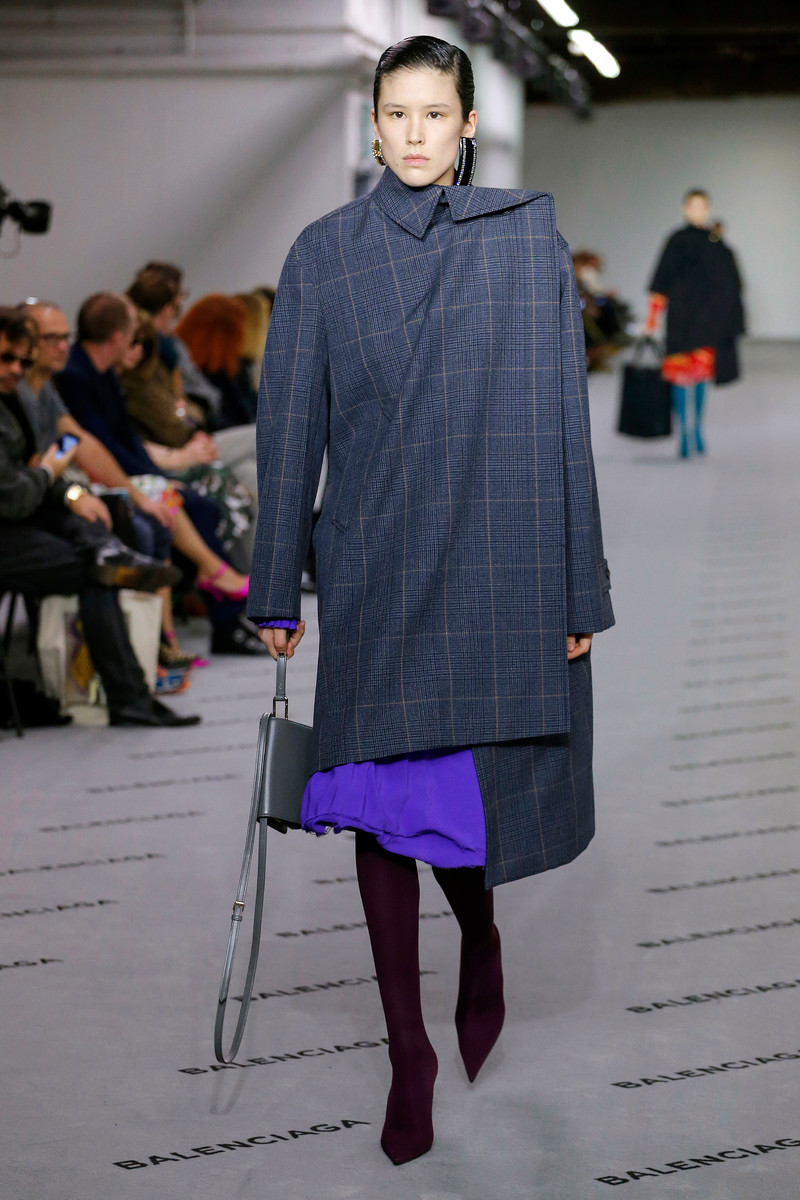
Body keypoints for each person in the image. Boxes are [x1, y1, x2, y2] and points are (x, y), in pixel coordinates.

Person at [248, 36, 613, 1165]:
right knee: (376, 804)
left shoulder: (523, 239)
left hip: (494, 559)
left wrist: (578, 587)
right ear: (372, 127)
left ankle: (480, 937)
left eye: (434, 113)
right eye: (395, 114)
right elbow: (288, 430)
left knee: (454, 806)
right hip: (373, 562)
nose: (414, 133)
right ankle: (407, 1048)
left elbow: (563, 421)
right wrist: (274, 584)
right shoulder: (323, 255)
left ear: (466, 127)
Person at [0, 307, 199, 727]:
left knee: (100, 516)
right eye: (7, 358)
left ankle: (111, 558)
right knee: (100, 566)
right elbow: (21, 488)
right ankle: (133, 694)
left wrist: (70, 490)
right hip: (12, 525)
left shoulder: (25, 394)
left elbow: (51, 460)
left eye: (21, 358)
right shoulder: (48, 387)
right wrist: (51, 474)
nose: (17, 367)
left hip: (27, 516)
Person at [54, 293, 266, 655]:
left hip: (133, 470)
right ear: (119, 337)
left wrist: (159, 470)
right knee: (193, 503)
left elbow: (125, 439)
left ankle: (224, 612)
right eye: (133, 334)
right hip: (100, 479)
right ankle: (217, 605)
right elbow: (101, 446)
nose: (137, 344)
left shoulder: (101, 372)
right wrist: (162, 470)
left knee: (221, 489)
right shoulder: (76, 376)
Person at [644, 188, 745, 458]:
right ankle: (685, 432)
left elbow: (730, 286)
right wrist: (651, 319)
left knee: (700, 375)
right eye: (694, 207)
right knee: (680, 375)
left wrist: (729, 320)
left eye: (702, 207)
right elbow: (661, 281)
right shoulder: (676, 240)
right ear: (685, 208)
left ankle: (696, 427)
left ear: (708, 209)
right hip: (681, 318)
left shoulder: (716, 243)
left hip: (707, 321)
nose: (698, 212)